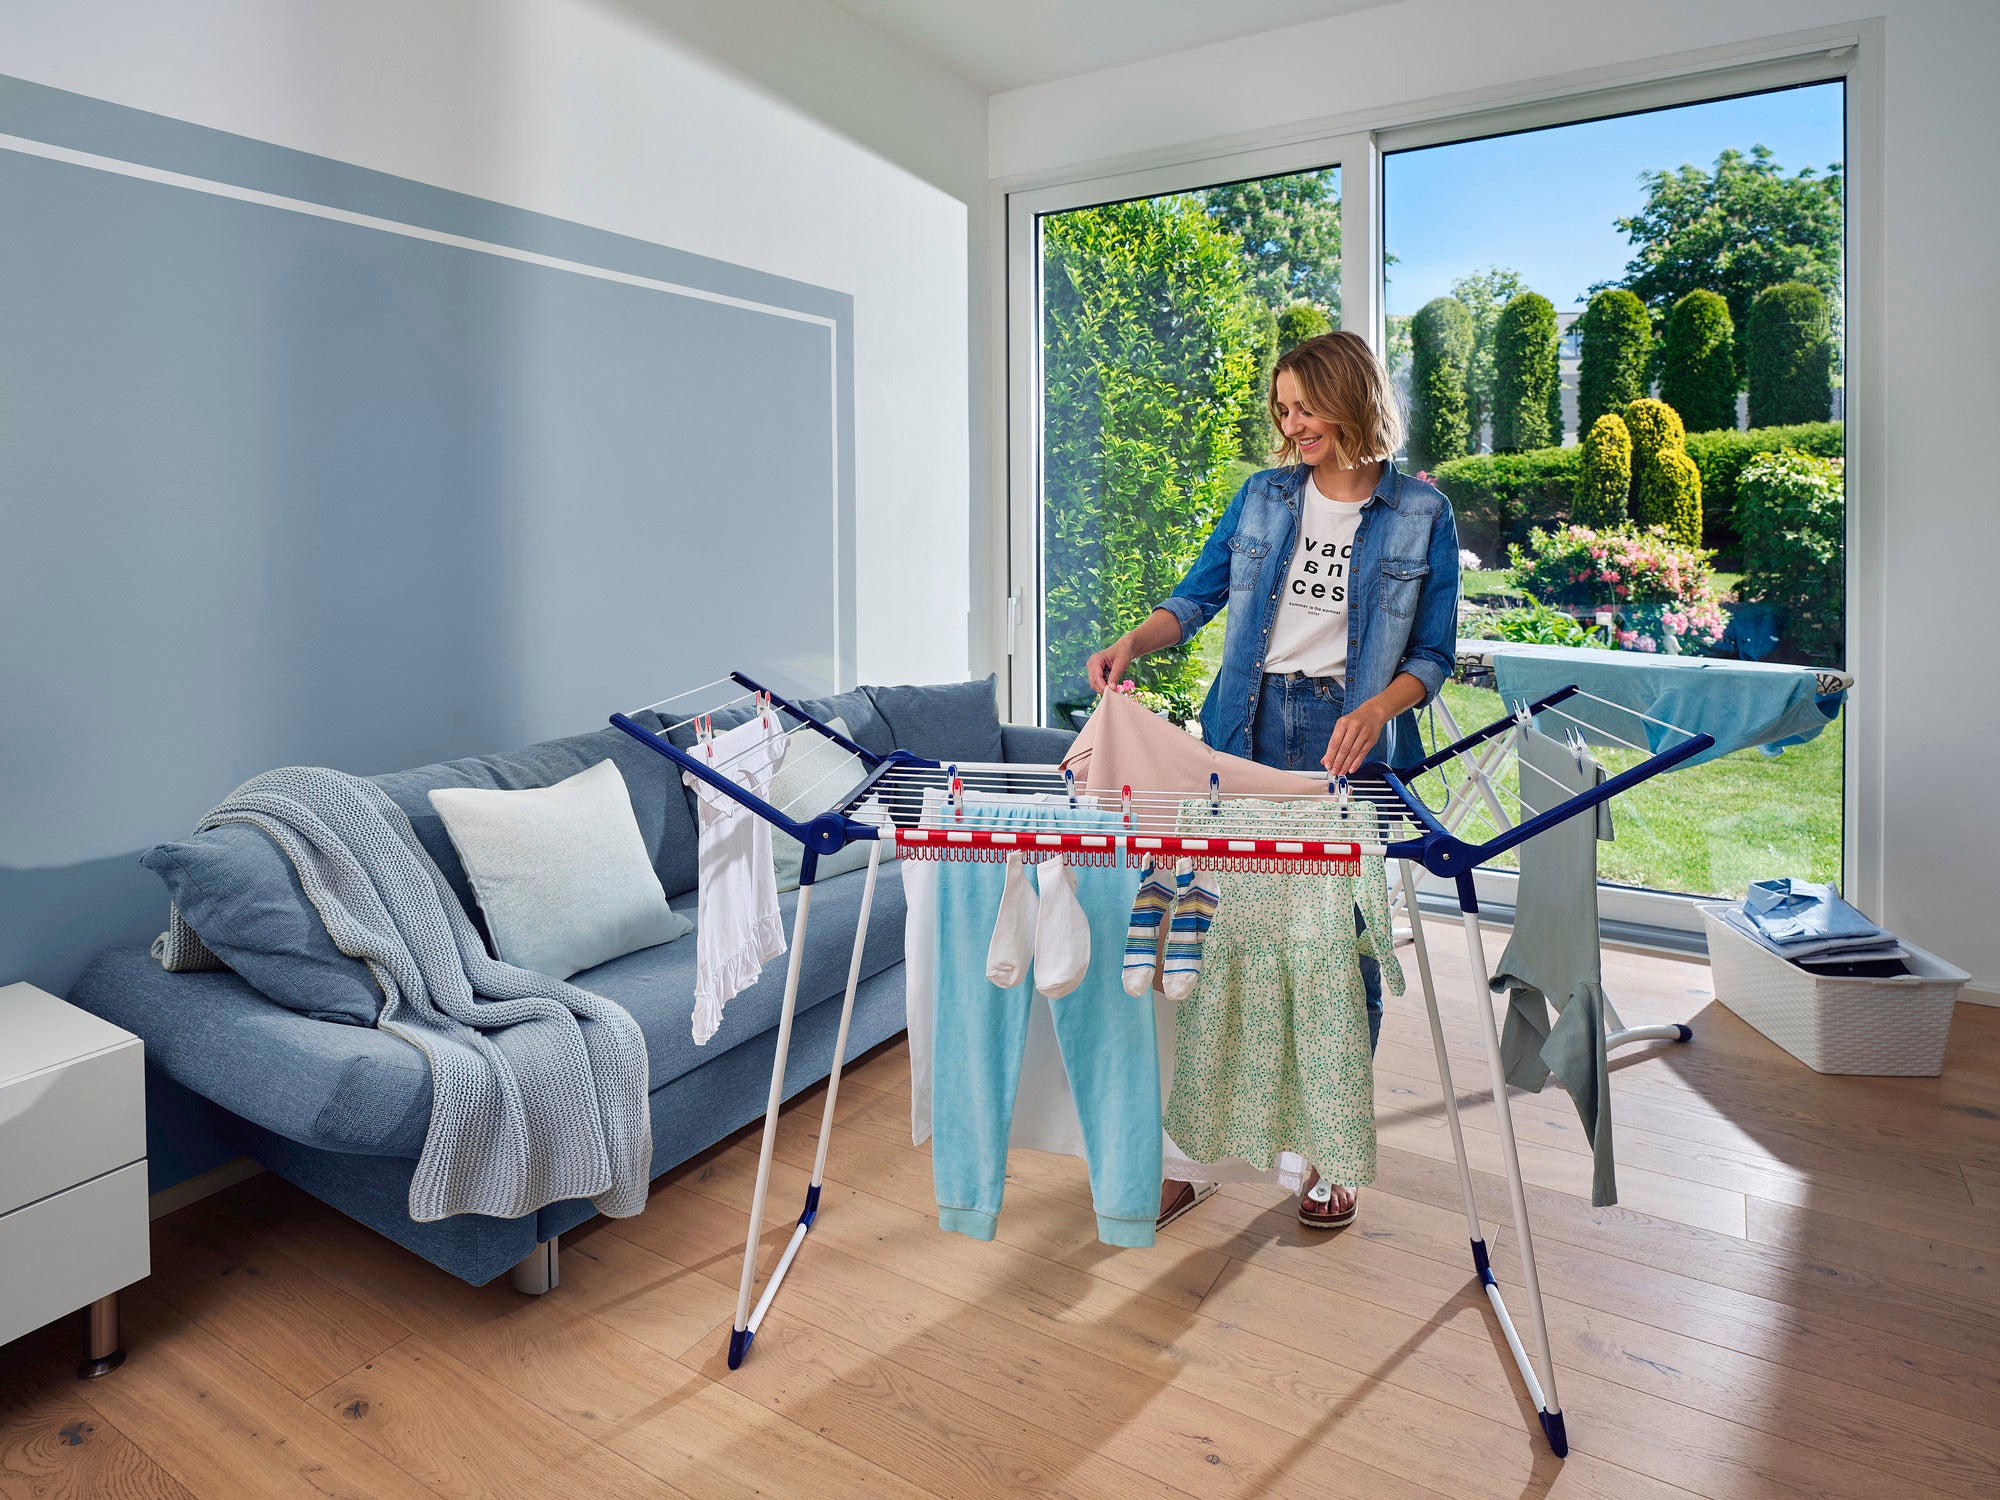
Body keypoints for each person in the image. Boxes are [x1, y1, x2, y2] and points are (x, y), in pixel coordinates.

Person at [1085, 330, 1461, 1230]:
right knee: (1208, 938)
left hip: (1346, 747)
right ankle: (1193, 1150)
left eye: (1305, 406)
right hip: (1246, 729)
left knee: (1341, 951)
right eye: (1282, 409)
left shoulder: (1420, 513)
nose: (1291, 425)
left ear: (1352, 398)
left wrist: (1378, 711)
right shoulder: (1261, 498)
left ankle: (1332, 1155)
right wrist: (1134, 641)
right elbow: (1196, 598)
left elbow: (1435, 653)